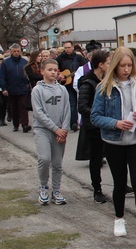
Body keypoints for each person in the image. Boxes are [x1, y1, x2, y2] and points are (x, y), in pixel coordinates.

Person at [90, 47, 136, 245]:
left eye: (129, 65)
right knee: (119, 182)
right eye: (123, 66)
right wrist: (115, 123)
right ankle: (119, 218)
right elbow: (95, 116)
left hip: (135, 139)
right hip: (114, 141)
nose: (127, 69)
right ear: (115, 66)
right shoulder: (104, 88)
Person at [31, 59, 70, 205]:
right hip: (43, 130)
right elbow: (39, 113)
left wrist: (64, 130)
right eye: (50, 69)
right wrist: (56, 129)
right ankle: (43, 187)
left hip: (60, 131)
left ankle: (57, 191)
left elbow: (67, 110)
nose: (53, 72)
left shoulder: (63, 90)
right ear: (42, 71)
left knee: (57, 163)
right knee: (45, 158)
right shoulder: (37, 90)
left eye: (55, 69)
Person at [77, 48, 111, 203]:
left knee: (113, 155)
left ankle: (121, 186)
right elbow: (82, 107)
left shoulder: (106, 79)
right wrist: (99, 114)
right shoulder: (87, 82)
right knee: (96, 157)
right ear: (100, 64)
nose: (111, 65)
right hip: (93, 126)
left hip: (106, 124)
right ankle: (97, 189)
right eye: (108, 62)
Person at [56, 40, 87, 132]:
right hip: (67, 84)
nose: (67, 49)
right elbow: (54, 67)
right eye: (65, 48)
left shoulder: (78, 58)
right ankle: (73, 123)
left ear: (73, 47)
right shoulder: (60, 58)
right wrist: (59, 75)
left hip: (78, 84)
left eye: (69, 47)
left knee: (79, 103)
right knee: (72, 103)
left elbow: (85, 68)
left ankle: (80, 121)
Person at [0, 44, 31, 133]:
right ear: (11, 52)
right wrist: (4, 88)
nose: (16, 53)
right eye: (14, 51)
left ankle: (25, 124)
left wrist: (28, 84)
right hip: (11, 88)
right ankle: (15, 124)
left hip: (23, 87)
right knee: (14, 108)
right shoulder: (6, 63)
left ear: (20, 52)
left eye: (18, 51)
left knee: (24, 106)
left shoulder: (24, 62)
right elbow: (2, 76)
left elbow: (28, 74)